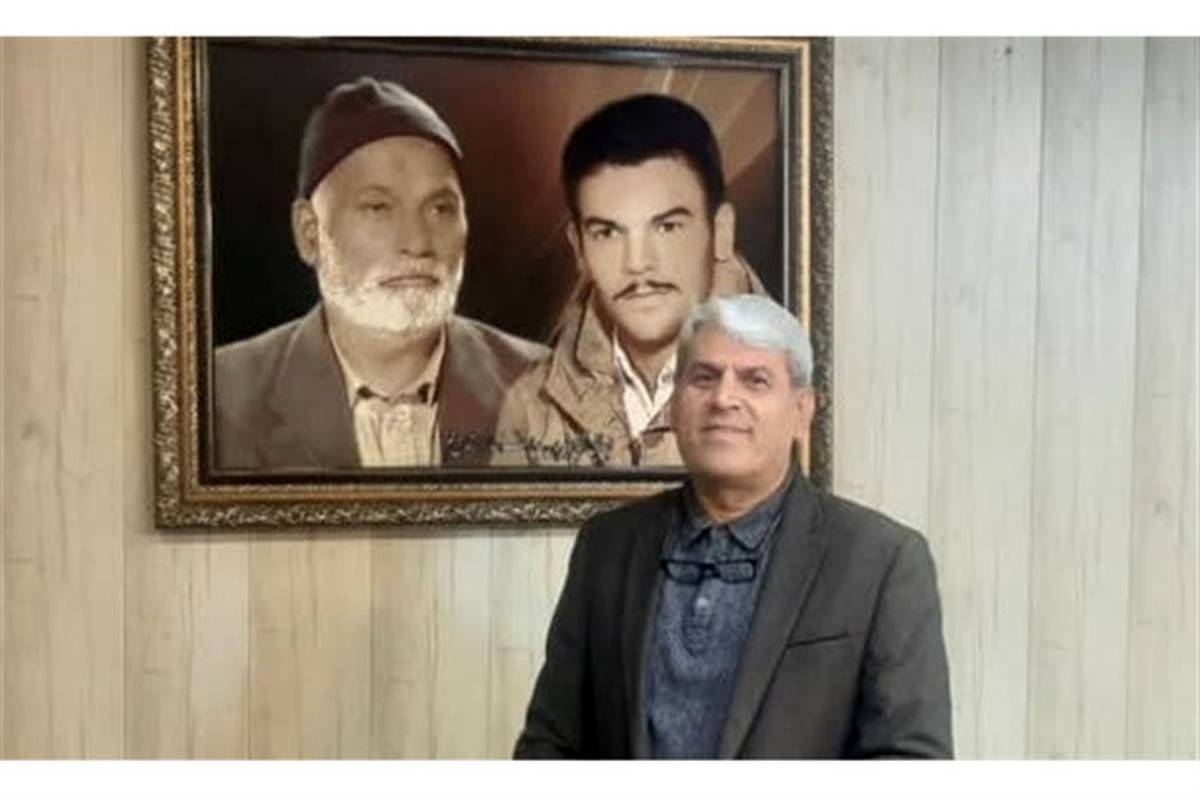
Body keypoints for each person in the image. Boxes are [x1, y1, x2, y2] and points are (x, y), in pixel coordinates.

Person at [514, 294, 952, 758]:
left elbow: (910, 759)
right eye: (703, 377)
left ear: (802, 412)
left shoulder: (880, 561)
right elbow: (550, 744)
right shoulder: (608, 547)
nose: (723, 399)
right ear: (675, 405)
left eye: (755, 380)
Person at [214, 77, 547, 470]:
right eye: (378, 208)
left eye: (440, 209)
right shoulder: (218, 395)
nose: (417, 242)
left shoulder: (547, 386)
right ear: (310, 233)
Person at [492, 94, 764, 468]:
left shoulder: (796, 386)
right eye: (608, 233)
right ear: (579, 248)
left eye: (667, 227)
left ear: (721, 231)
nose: (637, 264)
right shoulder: (530, 406)